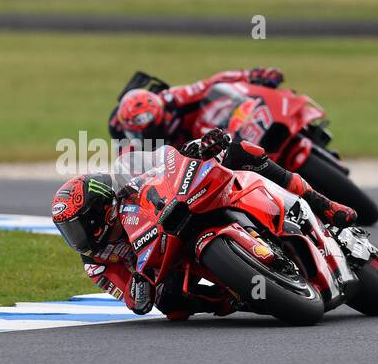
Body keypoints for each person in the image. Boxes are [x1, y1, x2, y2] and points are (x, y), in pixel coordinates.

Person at [52, 131, 358, 319]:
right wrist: (140, 287)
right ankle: (234, 297)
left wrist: (198, 148)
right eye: (68, 231)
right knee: (171, 305)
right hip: (169, 264)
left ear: (101, 213)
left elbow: (162, 162)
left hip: (184, 205)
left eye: (78, 227)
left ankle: (324, 204)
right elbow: (135, 300)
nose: (75, 239)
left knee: (241, 152)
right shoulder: (97, 263)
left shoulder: (125, 190)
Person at [109, 67, 288, 146]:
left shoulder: (173, 99)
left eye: (143, 133)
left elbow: (212, 83)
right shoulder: (136, 145)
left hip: (217, 130)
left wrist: (252, 75)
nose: (140, 137)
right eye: (134, 134)